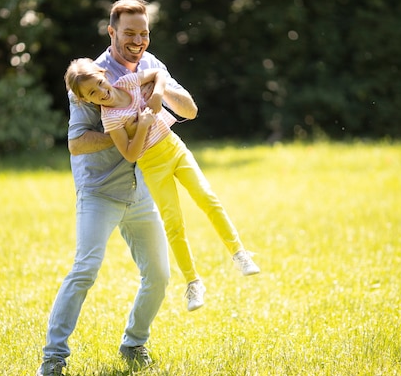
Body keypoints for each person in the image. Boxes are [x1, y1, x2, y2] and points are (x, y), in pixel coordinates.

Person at [35, 0, 196, 376]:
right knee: (85, 269)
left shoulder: (153, 65)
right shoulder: (91, 77)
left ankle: (133, 343)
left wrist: (159, 90)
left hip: (141, 190)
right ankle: (53, 360)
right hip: (100, 191)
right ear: (112, 32)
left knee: (158, 275)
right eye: (129, 33)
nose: (137, 40)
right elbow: (76, 143)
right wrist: (124, 129)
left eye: (143, 33)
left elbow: (189, 111)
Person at [63, 57, 261, 314]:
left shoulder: (126, 82)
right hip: (153, 166)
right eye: (92, 93)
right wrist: (142, 126)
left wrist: (156, 95)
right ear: (85, 100)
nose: (101, 92)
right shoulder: (110, 118)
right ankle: (193, 282)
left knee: (208, 198)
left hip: (175, 149)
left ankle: (239, 253)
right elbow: (130, 155)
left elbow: (157, 73)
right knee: (173, 222)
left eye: (100, 83)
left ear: (104, 74)